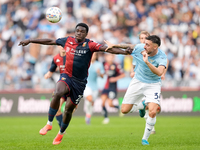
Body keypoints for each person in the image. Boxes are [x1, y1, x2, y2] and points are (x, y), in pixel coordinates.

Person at [18, 23, 132, 145]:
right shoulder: (67, 40)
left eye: (82, 31)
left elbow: (107, 49)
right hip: (66, 76)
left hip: (80, 83)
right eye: (77, 31)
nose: (79, 33)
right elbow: (50, 41)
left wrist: (125, 52)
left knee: (68, 110)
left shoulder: (90, 44)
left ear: (86, 34)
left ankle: (60, 133)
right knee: (57, 92)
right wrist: (30, 40)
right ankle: (49, 124)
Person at [105, 35, 167, 145]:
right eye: (144, 43)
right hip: (137, 81)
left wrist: (147, 62)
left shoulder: (162, 57)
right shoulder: (140, 48)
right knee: (124, 110)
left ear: (155, 47)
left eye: (147, 44)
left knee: (153, 111)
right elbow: (128, 46)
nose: (144, 46)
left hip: (153, 84)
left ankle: (145, 139)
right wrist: (114, 45)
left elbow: (159, 72)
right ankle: (142, 106)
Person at [44, 46, 66, 128]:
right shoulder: (56, 58)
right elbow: (51, 70)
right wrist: (48, 74)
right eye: (62, 46)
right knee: (58, 109)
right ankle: (62, 129)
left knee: (71, 109)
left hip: (72, 85)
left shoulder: (71, 57)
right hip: (63, 85)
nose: (64, 47)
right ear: (59, 47)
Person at [101, 53, 125, 124]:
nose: (110, 58)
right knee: (102, 103)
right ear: (106, 57)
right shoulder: (103, 64)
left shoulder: (116, 65)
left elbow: (123, 74)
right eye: (108, 56)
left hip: (112, 87)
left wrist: (115, 78)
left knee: (110, 104)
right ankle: (106, 118)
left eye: (111, 56)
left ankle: (119, 108)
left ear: (113, 57)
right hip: (105, 87)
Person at [83, 52, 104, 124]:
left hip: (95, 86)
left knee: (91, 103)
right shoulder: (85, 62)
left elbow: (102, 76)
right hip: (86, 85)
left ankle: (88, 116)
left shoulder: (99, 64)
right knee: (90, 98)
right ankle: (88, 115)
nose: (92, 56)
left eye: (94, 55)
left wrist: (99, 73)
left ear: (96, 56)